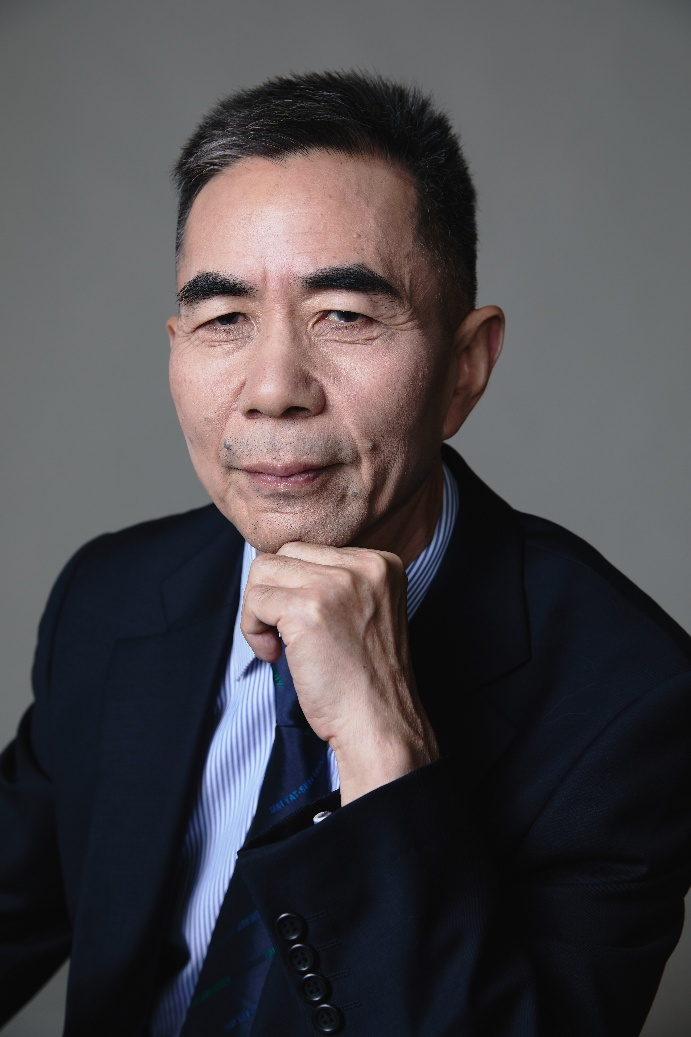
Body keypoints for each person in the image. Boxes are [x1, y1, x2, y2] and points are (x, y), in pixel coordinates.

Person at [1, 70, 690, 1037]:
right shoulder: (112, 597)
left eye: (345, 315)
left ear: (465, 367)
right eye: (223, 319)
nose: (273, 388)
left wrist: (381, 747)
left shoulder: (631, 703)